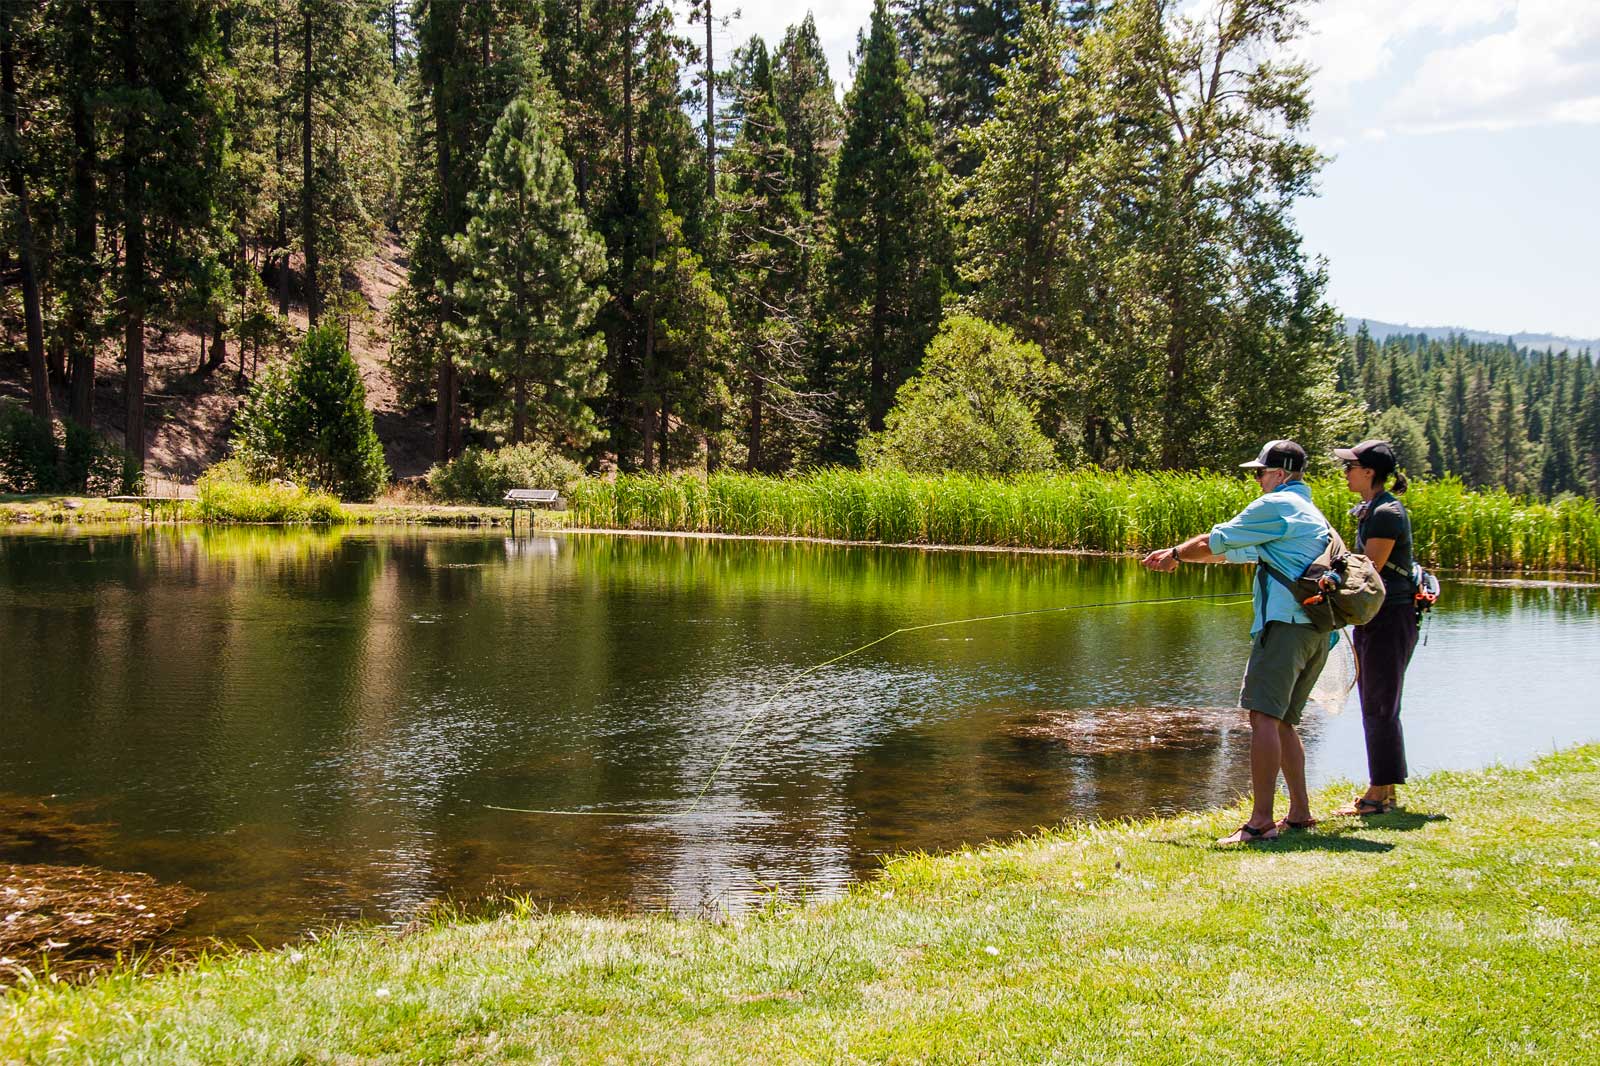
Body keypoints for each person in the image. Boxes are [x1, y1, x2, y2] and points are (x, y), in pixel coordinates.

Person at [1141, 439, 1334, 844]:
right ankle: (1299, 813)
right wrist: (1180, 556)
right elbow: (1232, 553)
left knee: (1263, 717)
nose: (1257, 480)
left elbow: (1217, 540)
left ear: (1279, 474)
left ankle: (1261, 821)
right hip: (1318, 631)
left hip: (1285, 627)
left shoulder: (1274, 506)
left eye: (1260, 472)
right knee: (1283, 721)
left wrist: (1175, 553)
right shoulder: (1310, 513)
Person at [1331, 439, 1416, 817]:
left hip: (1389, 618)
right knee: (1376, 701)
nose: (1345, 471)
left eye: (1351, 466)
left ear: (1369, 472)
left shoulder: (1387, 513)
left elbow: (1369, 571)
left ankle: (1378, 794)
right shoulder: (1374, 509)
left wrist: (1329, 583)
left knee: (1380, 703)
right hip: (1378, 618)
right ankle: (1384, 789)